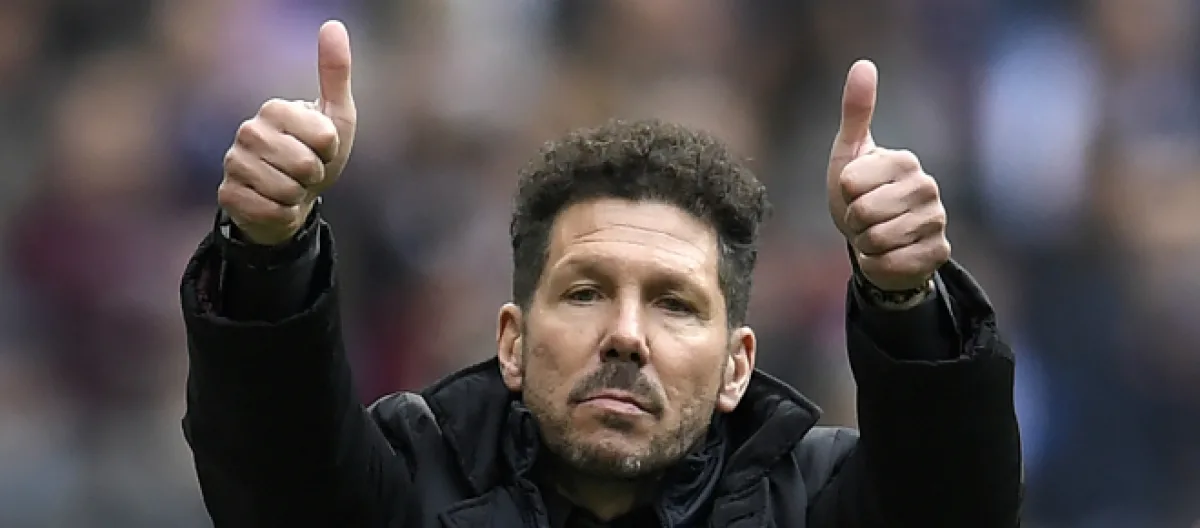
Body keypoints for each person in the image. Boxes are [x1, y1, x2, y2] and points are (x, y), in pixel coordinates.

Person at [180, 21, 1021, 527]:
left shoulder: (814, 500)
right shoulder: (405, 479)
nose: (625, 335)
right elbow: (273, 474)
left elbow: (955, 505)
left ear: (738, 366)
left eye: (675, 305)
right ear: (512, 343)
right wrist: (268, 250)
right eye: (585, 293)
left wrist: (905, 298)